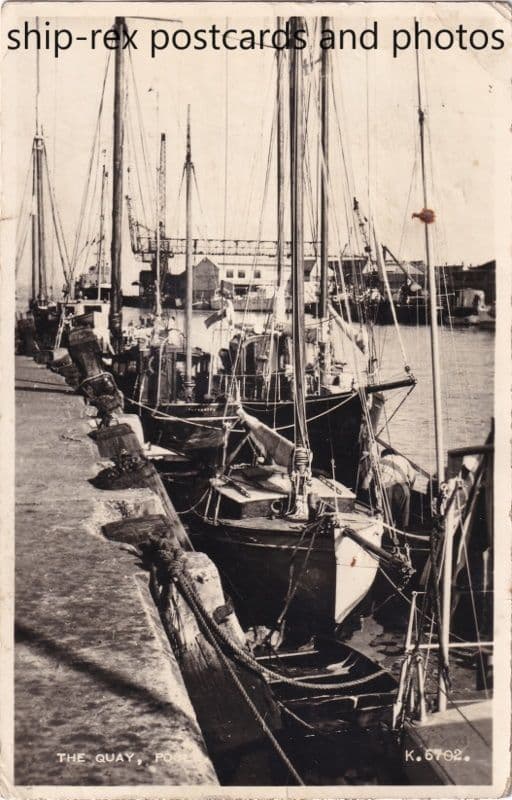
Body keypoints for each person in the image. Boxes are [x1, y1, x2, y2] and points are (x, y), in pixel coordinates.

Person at [378, 447, 417, 530]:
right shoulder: (403, 459)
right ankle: (403, 530)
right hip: (403, 487)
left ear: (384, 455)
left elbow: (373, 475)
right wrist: (410, 488)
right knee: (403, 513)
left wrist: (365, 487)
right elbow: (413, 476)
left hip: (388, 487)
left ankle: (387, 530)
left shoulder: (381, 460)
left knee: (387, 513)